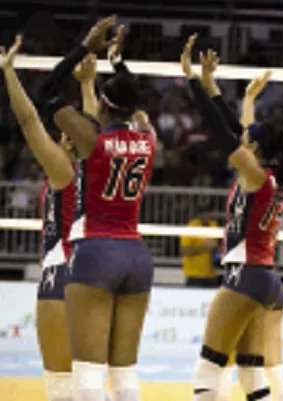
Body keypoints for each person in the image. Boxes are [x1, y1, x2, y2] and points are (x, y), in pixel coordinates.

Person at [36, 16, 156, 401]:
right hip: (137, 254)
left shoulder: (92, 141)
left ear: (102, 106)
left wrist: (86, 47)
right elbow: (131, 97)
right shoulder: (146, 137)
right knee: (124, 378)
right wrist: (118, 61)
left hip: (96, 251)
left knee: (87, 379)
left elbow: (45, 92)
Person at [181, 34, 283, 401]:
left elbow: (224, 132)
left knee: (210, 366)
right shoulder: (272, 176)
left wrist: (193, 81)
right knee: (252, 371)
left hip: (244, 273)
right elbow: (240, 131)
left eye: (250, 141)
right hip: (264, 276)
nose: (243, 139)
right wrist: (237, 94)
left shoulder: (256, 177)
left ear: (256, 150)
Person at [1, 34, 77, 401]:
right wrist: (90, 83)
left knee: (61, 384)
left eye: (64, 134)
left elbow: (30, 123)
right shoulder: (90, 169)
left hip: (61, 269)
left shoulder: (65, 171)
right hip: (85, 271)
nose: (58, 137)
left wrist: (9, 74)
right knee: (84, 380)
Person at [181, 202, 219, 288]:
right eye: (206, 213)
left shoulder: (213, 225)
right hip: (194, 275)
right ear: (200, 215)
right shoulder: (191, 227)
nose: (209, 215)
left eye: (210, 213)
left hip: (210, 274)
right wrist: (204, 248)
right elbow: (184, 251)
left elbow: (214, 246)